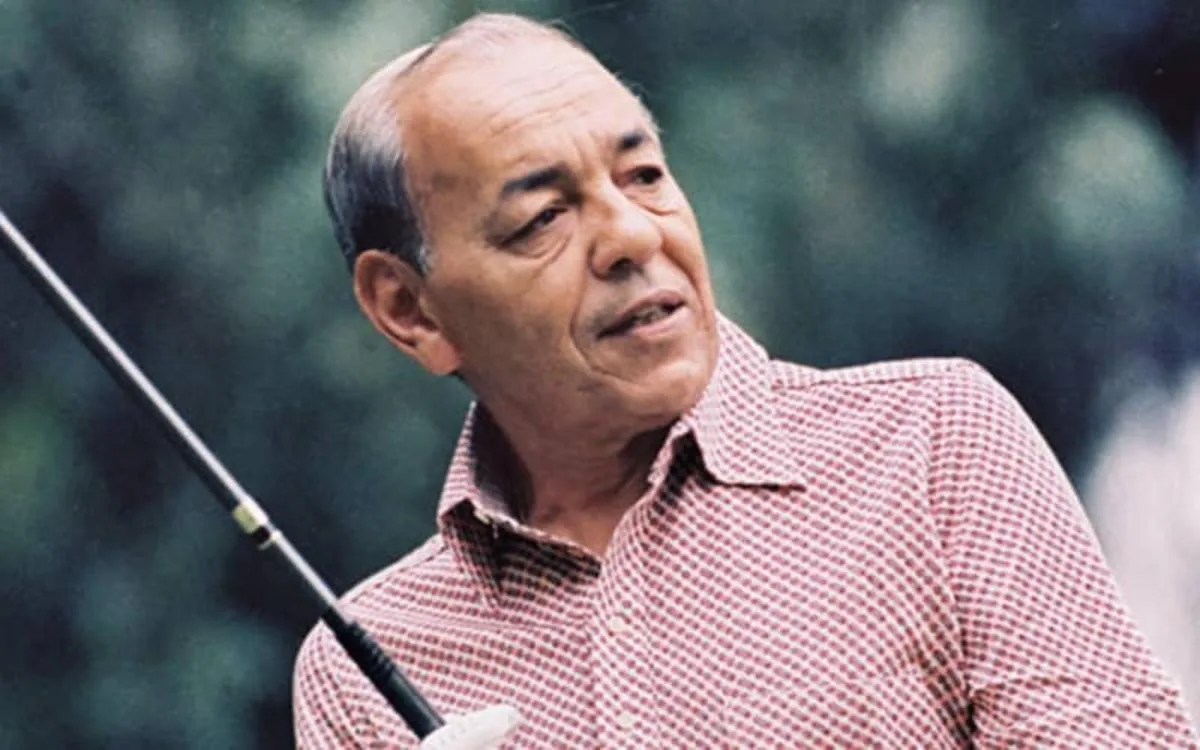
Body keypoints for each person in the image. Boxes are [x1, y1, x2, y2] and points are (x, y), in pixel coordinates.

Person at [293, 12, 1198, 749]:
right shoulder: (360, 674)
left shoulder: (933, 442)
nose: (633, 235)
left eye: (644, 175)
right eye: (542, 219)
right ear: (409, 309)